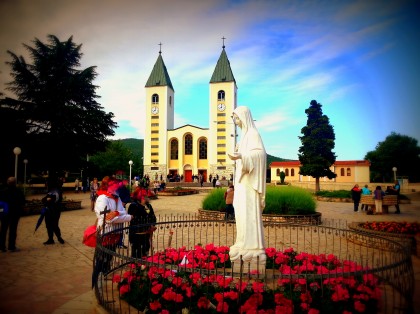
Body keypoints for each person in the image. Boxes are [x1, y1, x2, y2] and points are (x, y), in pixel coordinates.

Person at [228, 106, 266, 263]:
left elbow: (260, 155)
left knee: (248, 212)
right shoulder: (243, 136)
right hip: (241, 184)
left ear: (243, 117)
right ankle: (242, 242)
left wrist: (242, 156)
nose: (235, 122)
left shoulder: (253, 134)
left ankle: (253, 247)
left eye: (236, 118)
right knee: (240, 212)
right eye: (234, 119)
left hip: (249, 185)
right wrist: (239, 155)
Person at [94, 177, 132, 273]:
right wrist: (129, 217)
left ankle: (106, 272)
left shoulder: (116, 197)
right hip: (105, 232)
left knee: (110, 256)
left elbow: (123, 212)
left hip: (115, 232)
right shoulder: (102, 198)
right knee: (101, 257)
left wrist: (116, 213)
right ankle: (98, 276)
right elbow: (108, 219)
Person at [128, 189, 157, 258]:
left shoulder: (148, 206)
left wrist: (152, 225)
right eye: (145, 195)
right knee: (137, 251)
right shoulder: (133, 206)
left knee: (146, 249)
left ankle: (144, 264)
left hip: (146, 233)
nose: (147, 197)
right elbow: (134, 219)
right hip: (137, 233)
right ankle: (136, 265)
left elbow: (153, 217)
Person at [0, 177, 26, 252]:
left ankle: (2, 247)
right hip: (15, 213)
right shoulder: (18, 191)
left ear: (7, 183)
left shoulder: (3, 191)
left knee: (3, 230)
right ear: (15, 183)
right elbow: (22, 202)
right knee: (13, 230)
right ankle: (11, 246)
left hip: (5, 213)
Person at [42, 177, 65, 245]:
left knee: (54, 224)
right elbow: (43, 200)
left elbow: (54, 199)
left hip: (55, 210)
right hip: (49, 210)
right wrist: (47, 199)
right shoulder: (51, 190)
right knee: (48, 225)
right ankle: (51, 239)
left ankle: (59, 237)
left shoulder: (57, 190)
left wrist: (48, 199)